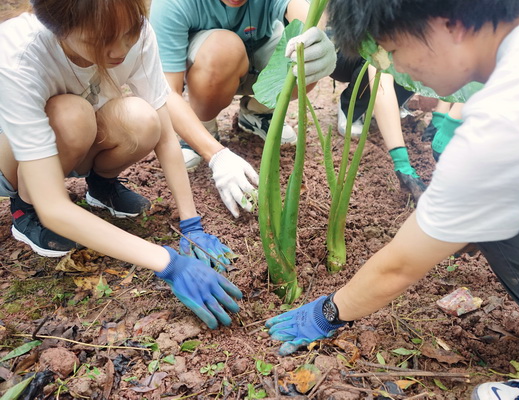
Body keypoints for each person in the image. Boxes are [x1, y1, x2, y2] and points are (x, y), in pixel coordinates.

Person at [265, 1, 519, 399]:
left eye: (394, 49)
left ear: (447, 25)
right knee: (498, 200)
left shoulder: (509, 117)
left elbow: (400, 266)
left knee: (485, 200)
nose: (395, 67)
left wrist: (327, 312)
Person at [0, 0, 243, 330]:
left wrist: (191, 224)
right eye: (100, 40)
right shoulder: (19, 54)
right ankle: (24, 209)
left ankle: (101, 186)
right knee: (71, 115)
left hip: (73, 142)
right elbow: (54, 207)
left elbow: (165, 135)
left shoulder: (134, 29)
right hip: (14, 158)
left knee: (143, 119)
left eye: (129, 33)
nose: (120, 50)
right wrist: (167, 262)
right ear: (58, 29)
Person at [148, 0, 336, 218]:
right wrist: (216, 155)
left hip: (260, 52)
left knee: (303, 57)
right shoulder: (172, 4)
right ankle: (202, 127)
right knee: (223, 48)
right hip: (209, 66)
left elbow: (303, 10)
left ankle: (257, 112)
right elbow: (166, 92)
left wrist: (318, 40)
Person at [331, 53, 427, 201]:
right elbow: (381, 84)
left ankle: (390, 107)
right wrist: (402, 163)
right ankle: (351, 108)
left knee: (414, 62)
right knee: (369, 68)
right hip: (347, 56)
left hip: (395, 52)